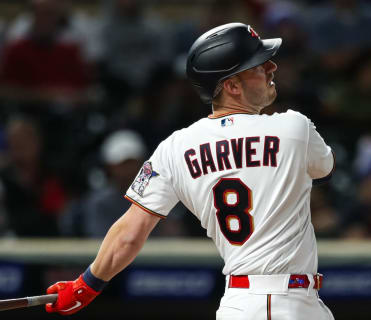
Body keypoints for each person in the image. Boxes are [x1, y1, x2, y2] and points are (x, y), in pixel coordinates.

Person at [44, 23, 335, 319]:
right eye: (258, 65)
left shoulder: (173, 148)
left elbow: (129, 234)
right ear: (232, 86)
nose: (271, 67)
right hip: (292, 304)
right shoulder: (294, 127)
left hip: (238, 304)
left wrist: (86, 284)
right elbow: (323, 172)